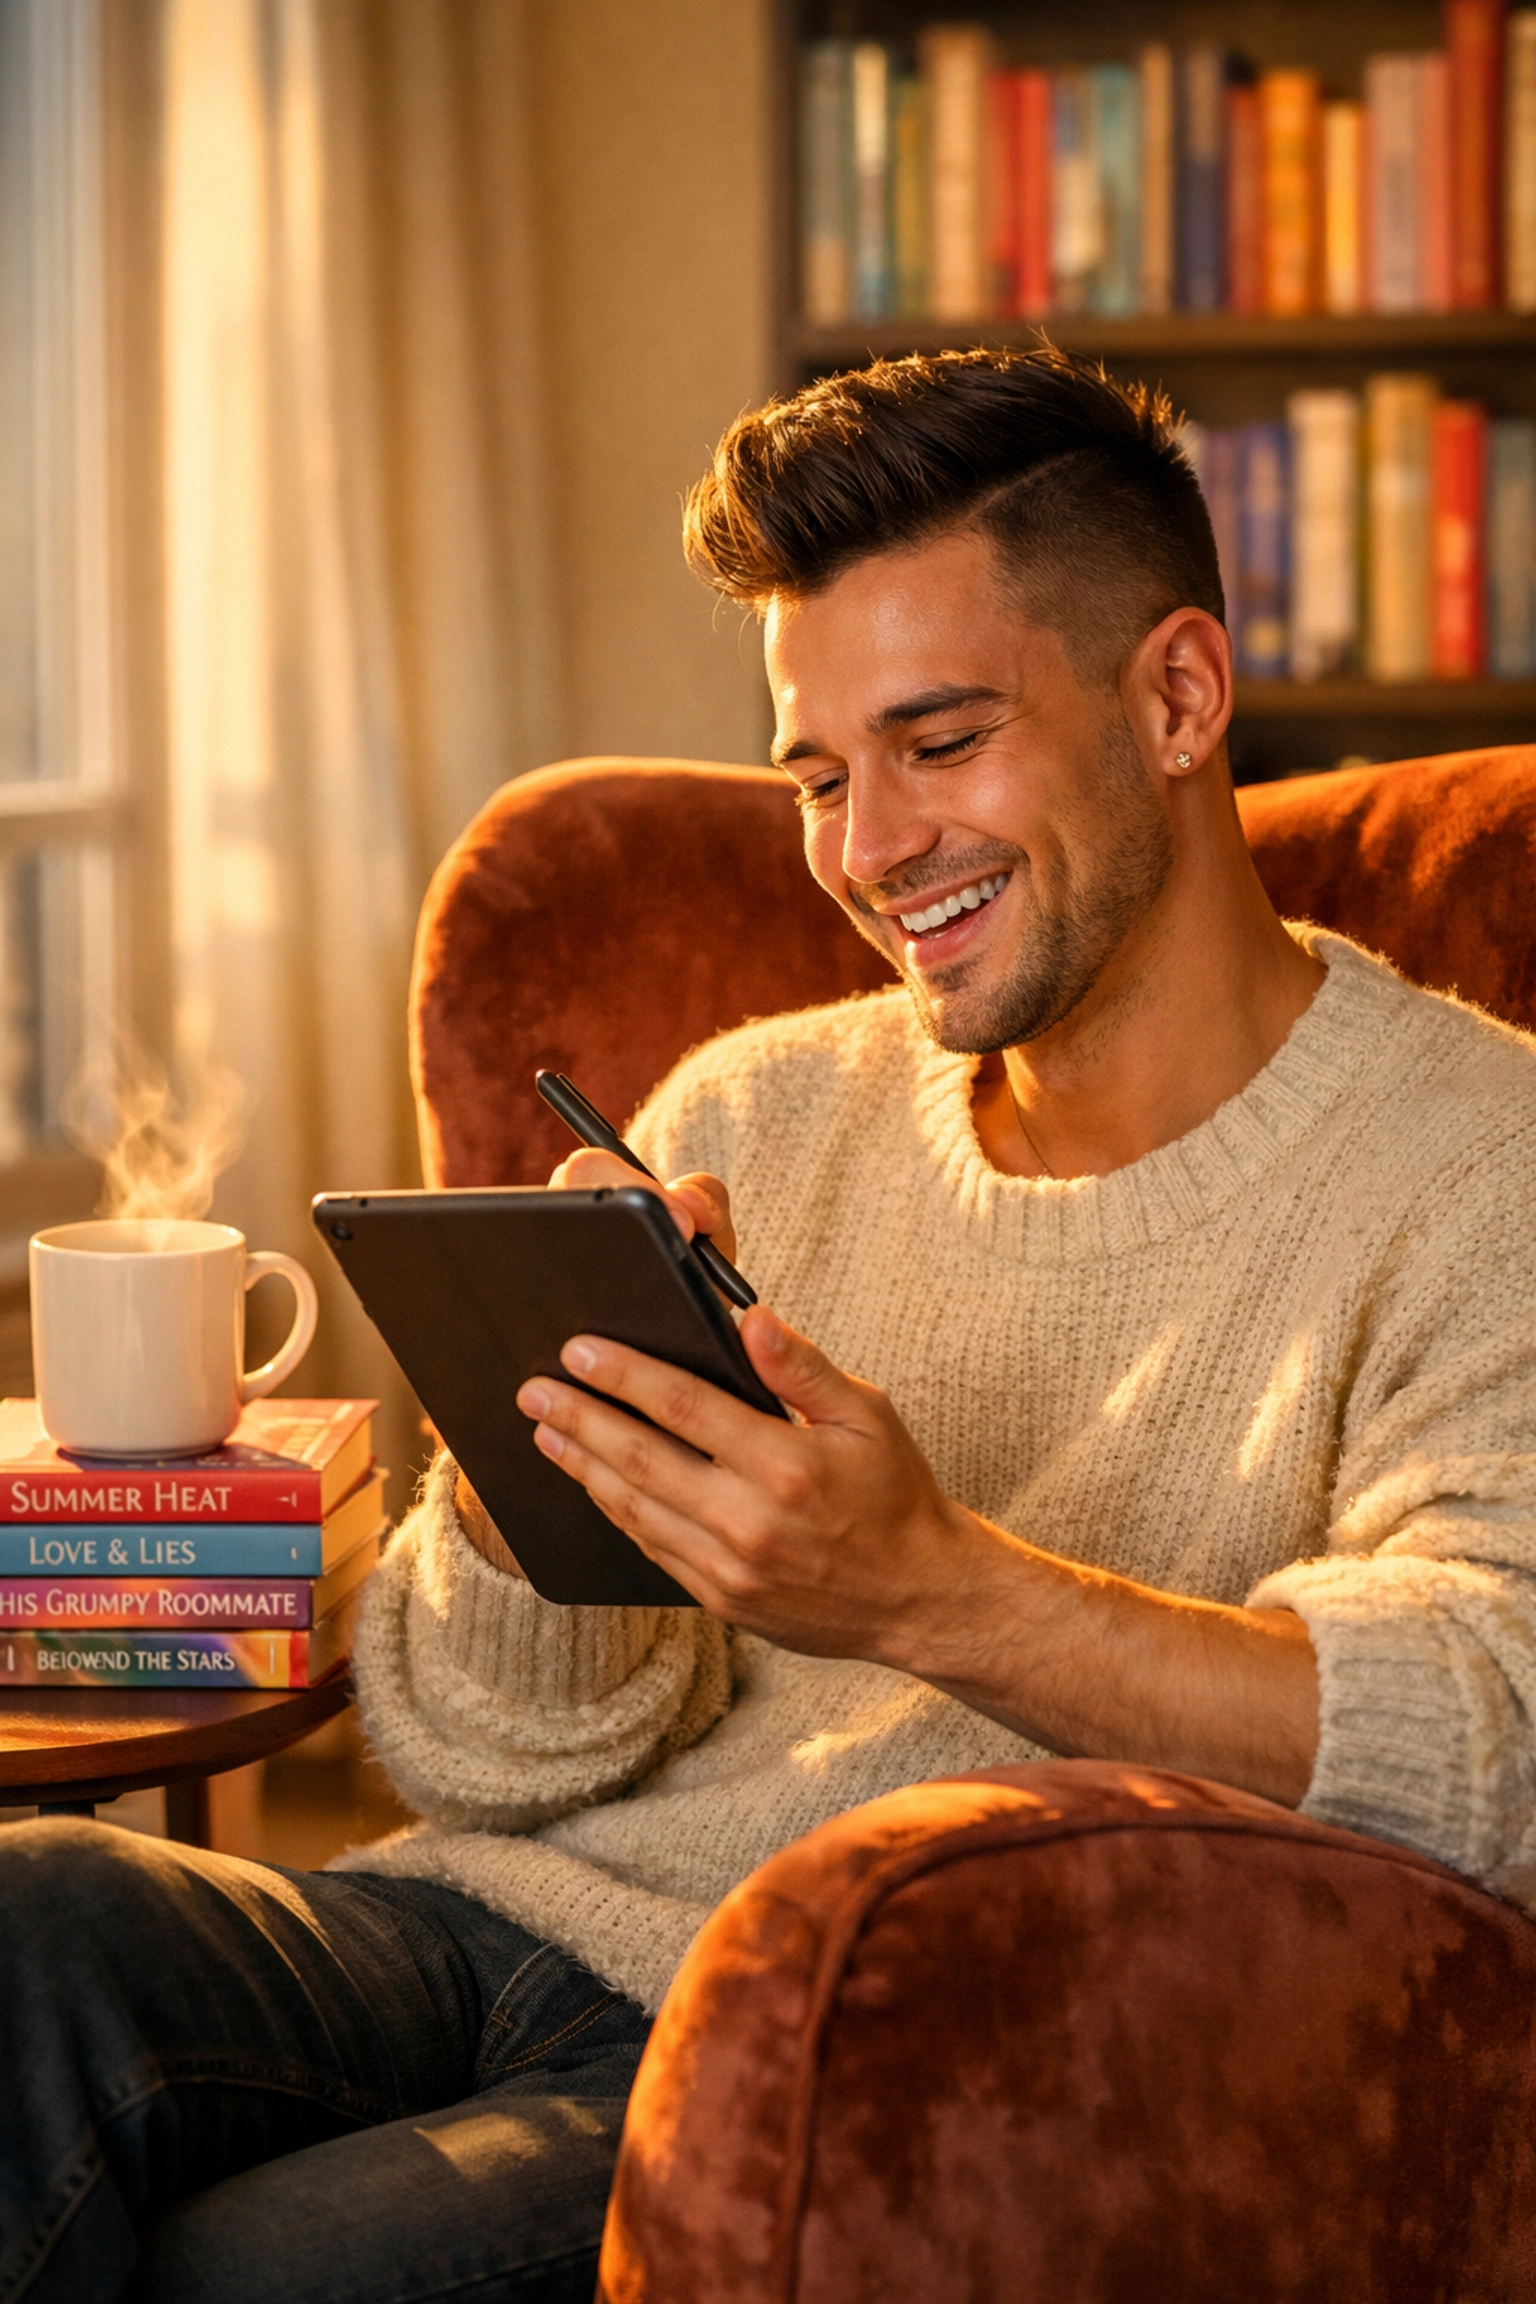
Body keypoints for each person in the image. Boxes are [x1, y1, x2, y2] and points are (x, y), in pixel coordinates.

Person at [6, 347, 1536, 2303]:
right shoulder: (751, 1105)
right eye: (821, 774)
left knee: (251, 2269)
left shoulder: (1480, 1163)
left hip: (891, 2048)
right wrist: (531, 1474)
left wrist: (930, 1591)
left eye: (942, 742)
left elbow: (1499, 1736)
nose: (868, 846)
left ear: (1175, 695)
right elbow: (480, 1769)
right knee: (30, 1913)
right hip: (490, 1930)